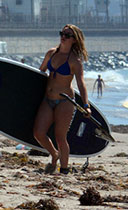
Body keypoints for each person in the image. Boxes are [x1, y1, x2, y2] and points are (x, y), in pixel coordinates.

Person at [32, 24, 90, 175]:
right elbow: (40, 73)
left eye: (68, 35)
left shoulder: (74, 61)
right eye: (62, 33)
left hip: (65, 101)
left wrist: (86, 105)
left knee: (60, 137)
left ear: (74, 40)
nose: (63, 36)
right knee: (38, 133)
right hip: (48, 99)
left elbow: (81, 84)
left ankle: (64, 170)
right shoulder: (51, 53)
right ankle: (54, 154)